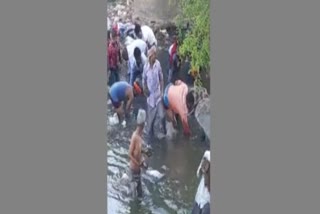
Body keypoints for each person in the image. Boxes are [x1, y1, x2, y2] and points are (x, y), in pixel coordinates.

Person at [142, 46, 166, 143]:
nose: (155, 56)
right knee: (150, 122)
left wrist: (162, 91)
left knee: (162, 115)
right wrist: (145, 90)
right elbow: (144, 80)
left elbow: (161, 78)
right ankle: (150, 140)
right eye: (154, 55)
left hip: (157, 95)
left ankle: (163, 131)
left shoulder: (158, 64)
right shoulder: (146, 67)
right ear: (150, 56)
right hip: (150, 97)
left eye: (156, 54)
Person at [128, 109, 149, 198]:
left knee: (140, 196)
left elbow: (138, 151)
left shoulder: (140, 135)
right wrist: (139, 164)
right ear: (143, 124)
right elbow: (129, 154)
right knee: (134, 198)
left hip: (138, 172)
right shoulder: (135, 136)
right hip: (133, 172)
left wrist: (145, 152)